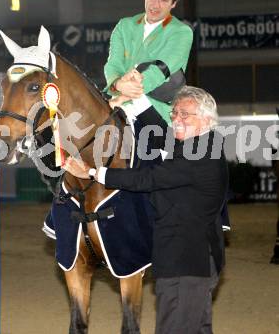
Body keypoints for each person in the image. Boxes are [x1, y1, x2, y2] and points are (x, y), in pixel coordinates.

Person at [65, 86, 229, 334]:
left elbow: (146, 179)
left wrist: (90, 172)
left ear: (207, 120)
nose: (176, 119)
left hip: (186, 264)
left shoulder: (201, 154)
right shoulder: (201, 144)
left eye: (185, 114)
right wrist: (137, 97)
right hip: (193, 260)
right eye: (175, 113)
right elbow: (162, 135)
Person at [104, 0, 193, 123]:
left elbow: (159, 70)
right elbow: (113, 64)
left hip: (157, 115)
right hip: (118, 110)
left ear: (173, 4)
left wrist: (125, 94)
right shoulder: (124, 26)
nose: (155, 5)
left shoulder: (182, 32)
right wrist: (118, 83)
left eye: (163, 0)